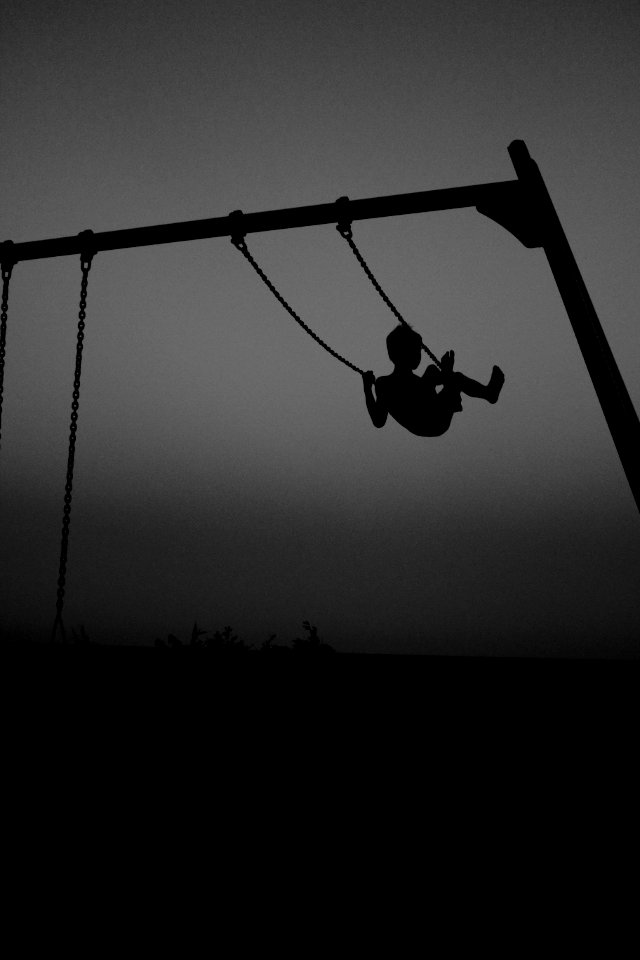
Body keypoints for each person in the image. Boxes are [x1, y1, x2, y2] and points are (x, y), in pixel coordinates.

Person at [363, 324, 505, 437]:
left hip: (433, 415)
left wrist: (368, 389)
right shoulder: (386, 384)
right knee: (450, 377)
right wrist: (367, 389)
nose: (419, 356)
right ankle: (488, 393)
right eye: (416, 351)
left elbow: (378, 421)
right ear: (402, 353)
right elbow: (379, 421)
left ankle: (487, 392)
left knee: (437, 372)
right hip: (430, 421)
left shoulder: (387, 384)